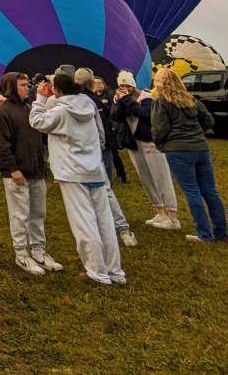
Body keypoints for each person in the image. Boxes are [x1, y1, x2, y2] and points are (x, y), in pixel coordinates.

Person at [30, 73, 125, 286]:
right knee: (105, 221)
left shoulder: (61, 111)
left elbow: (37, 121)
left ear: (57, 90)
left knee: (84, 222)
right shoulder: (88, 105)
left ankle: (96, 271)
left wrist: (40, 98)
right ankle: (115, 271)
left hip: (72, 172)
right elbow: (100, 133)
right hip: (94, 168)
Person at [0, 73, 62, 276]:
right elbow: (1, 145)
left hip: (36, 170)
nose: (26, 87)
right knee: (20, 214)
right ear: (11, 87)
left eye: (27, 84)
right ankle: (21, 253)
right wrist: (12, 169)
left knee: (38, 213)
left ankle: (39, 250)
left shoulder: (30, 109)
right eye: (22, 85)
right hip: (17, 172)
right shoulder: (2, 112)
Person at [151, 69, 228, 244]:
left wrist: (162, 144)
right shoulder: (191, 100)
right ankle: (221, 233)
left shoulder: (161, 102)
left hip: (178, 151)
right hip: (201, 148)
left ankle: (204, 234)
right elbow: (208, 120)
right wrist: (197, 133)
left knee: (192, 191)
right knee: (210, 192)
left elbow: (159, 129)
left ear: (160, 83)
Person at [74, 68, 138, 248]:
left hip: (90, 153)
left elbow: (101, 129)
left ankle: (115, 227)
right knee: (104, 190)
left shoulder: (86, 102)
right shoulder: (91, 102)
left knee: (101, 189)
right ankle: (117, 228)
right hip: (94, 151)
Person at [113, 70, 180, 230]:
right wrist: (120, 103)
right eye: (121, 85)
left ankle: (172, 216)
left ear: (133, 85)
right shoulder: (121, 99)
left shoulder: (147, 98)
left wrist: (127, 100)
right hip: (134, 143)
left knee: (161, 176)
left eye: (127, 85)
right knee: (146, 178)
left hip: (150, 142)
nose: (124, 88)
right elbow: (115, 117)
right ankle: (160, 211)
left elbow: (146, 115)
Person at [91, 77, 128, 183]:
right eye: (95, 83)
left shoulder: (110, 95)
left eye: (99, 83)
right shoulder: (93, 97)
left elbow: (114, 111)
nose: (97, 85)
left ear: (104, 84)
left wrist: (114, 126)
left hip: (110, 127)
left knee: (114, 153)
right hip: (100, 127)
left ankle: (121, 175)